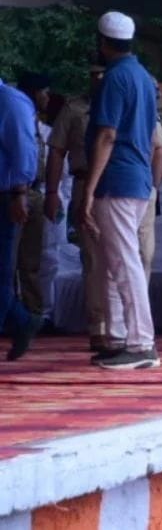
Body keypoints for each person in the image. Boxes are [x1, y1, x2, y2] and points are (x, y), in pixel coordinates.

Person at [81, 11, 161, 370]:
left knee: (124, 262)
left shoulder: (115, 78)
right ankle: (118, 338)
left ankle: (141, 343)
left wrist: (88, 189)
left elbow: (107, 135)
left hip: (117, 179)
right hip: (136, 177)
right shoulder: (142, 76)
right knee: (117, 261)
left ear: (102, 42)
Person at [2, 74, 43, 360]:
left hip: (4, 196)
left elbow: (24, 151)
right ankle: (22, 320)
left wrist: (19, 193)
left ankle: (22, 320)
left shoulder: (10, 101)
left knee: (2, 271)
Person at [14, 73, 51, 318]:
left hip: (35, 191)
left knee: (31, 260)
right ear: (35, 93)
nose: (48, 97)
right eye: (45, 92)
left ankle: (32, 314)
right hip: (15, 192)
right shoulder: (16, 116)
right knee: (9, 259)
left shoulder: (35, 120)